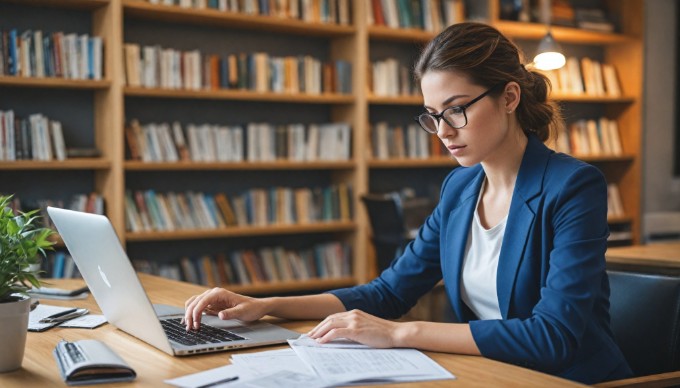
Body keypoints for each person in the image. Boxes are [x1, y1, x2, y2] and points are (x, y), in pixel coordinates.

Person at [183, 22, 632, 384]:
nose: (444, 131)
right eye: (433, 116)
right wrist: (266, 304)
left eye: (457, 109)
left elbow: (553, 338)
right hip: (492, 376)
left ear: (510, 97)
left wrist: (400, 334)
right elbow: (389, 293)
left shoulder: (573, 186)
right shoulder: (460, 188)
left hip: (570, 380)